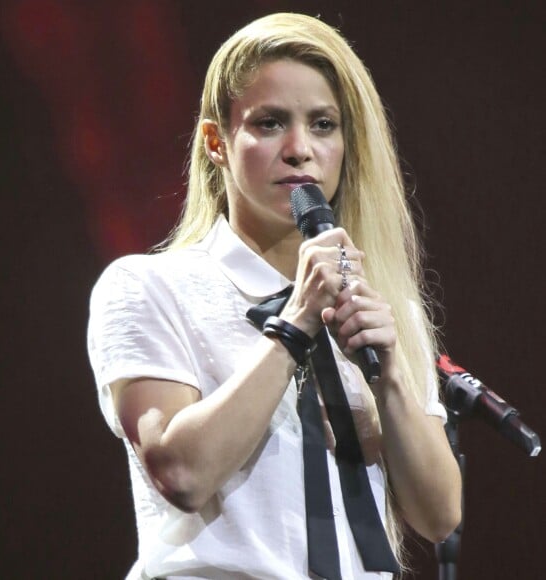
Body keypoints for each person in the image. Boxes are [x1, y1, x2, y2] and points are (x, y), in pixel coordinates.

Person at [87, 12, 461, 580]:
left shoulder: (382, 307)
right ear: (216, 142)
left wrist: (390, 377)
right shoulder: (148, 286)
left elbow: (438, 517)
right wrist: (295, 325)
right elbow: (181, 473)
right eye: (268, 123)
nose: (299, 149)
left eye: (323, 124)